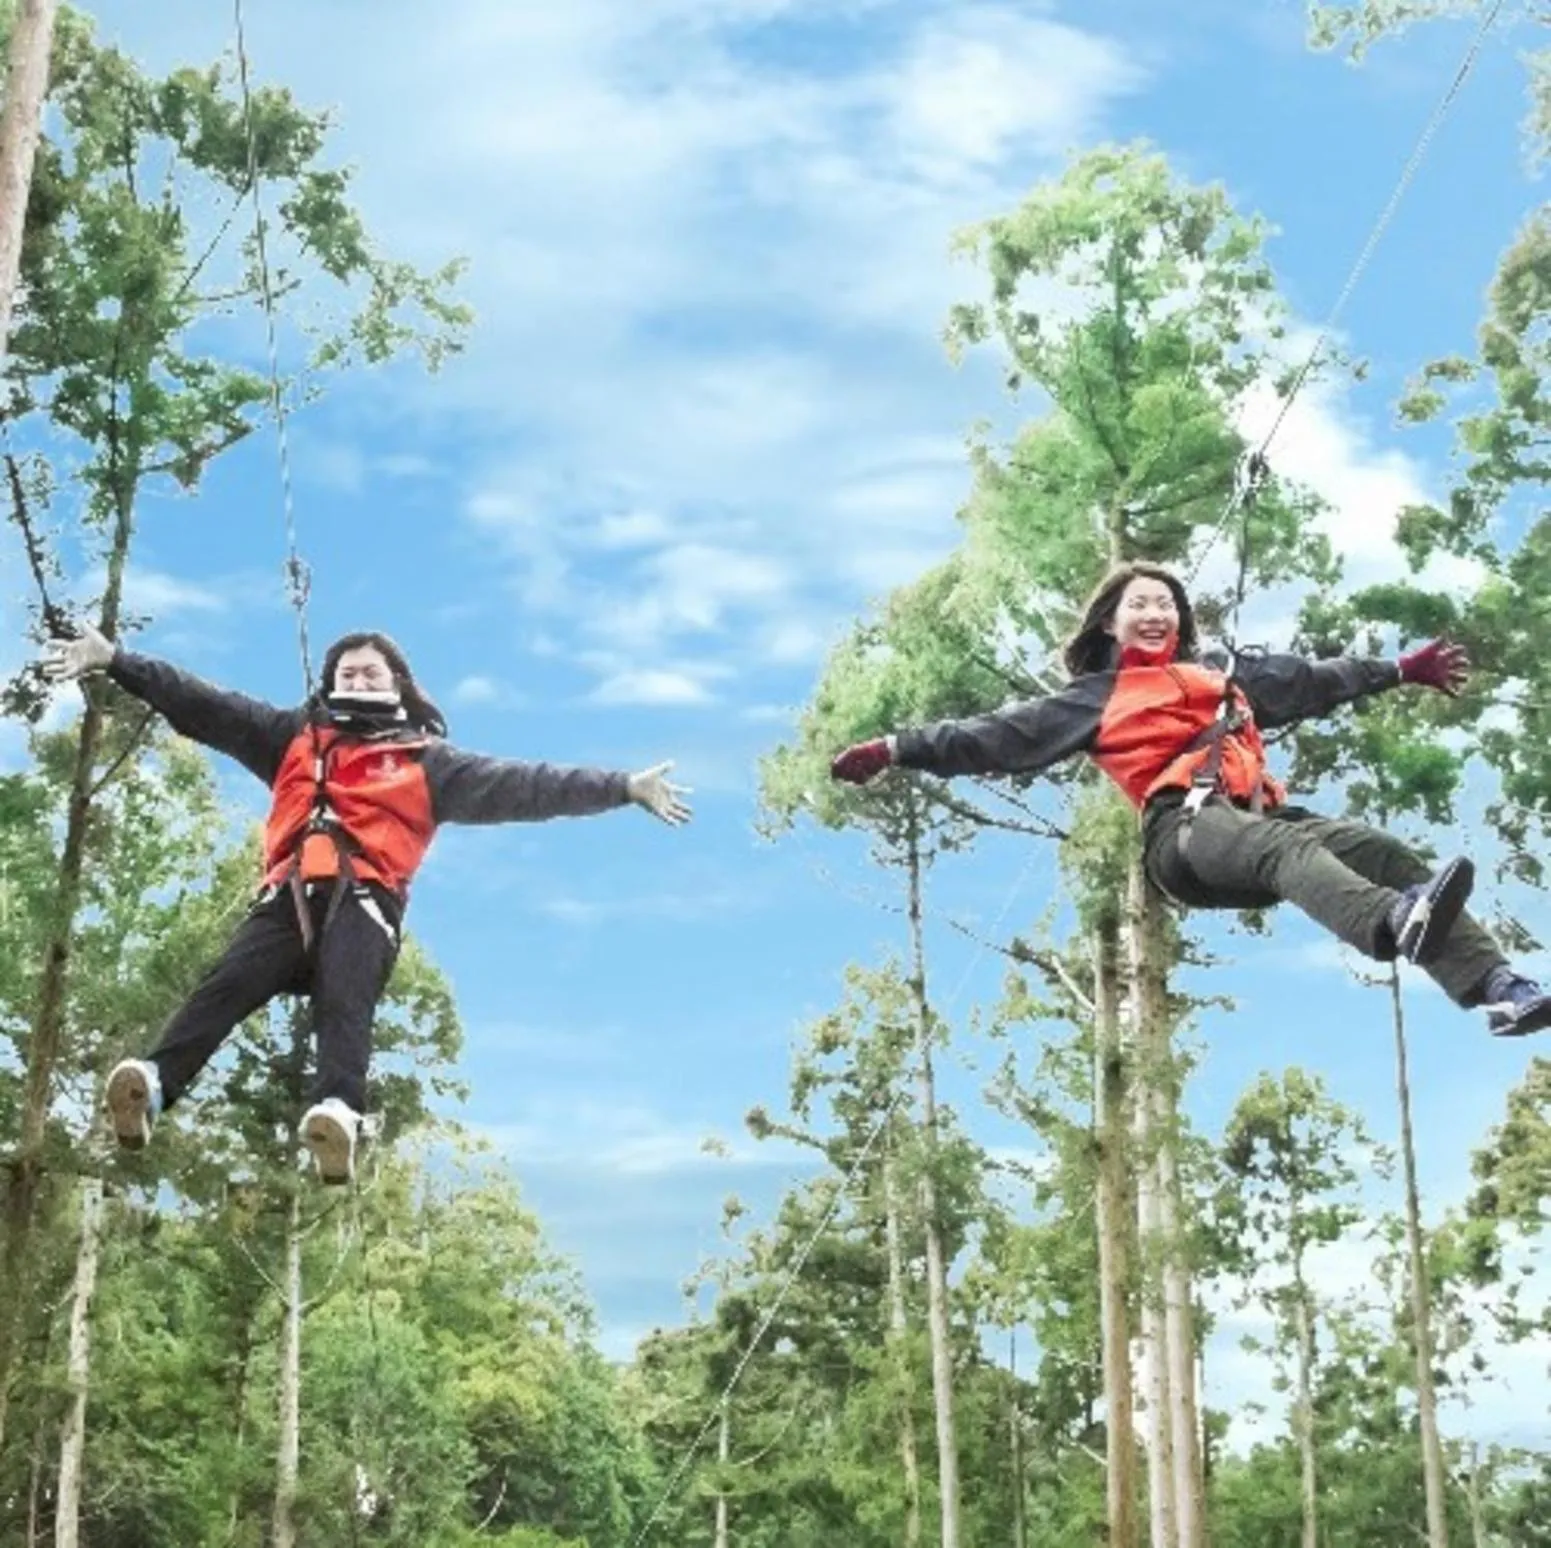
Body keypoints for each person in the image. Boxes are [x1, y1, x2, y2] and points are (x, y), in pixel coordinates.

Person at [41, 624, 693, 1183]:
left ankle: (338, 1114)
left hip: (365, 902)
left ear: (397, 687)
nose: (356, 675)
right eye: (345, 670)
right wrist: (116, 660)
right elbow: (204, 705)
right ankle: (153, 1087)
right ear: (330, 684)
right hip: (287, 900)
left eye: (369, 670)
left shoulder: (427, 762)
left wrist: (621, 786)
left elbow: (527, 786)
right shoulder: (291, 737)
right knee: (226, 985)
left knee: (345, 1002)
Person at [829, 562, 1551, 1038]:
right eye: (1137, 603)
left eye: (1164, 603)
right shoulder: (1096, 698)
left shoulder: (1223, 683)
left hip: (1256, 826)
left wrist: (1397, 670)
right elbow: (995, 735)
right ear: (1109, 624)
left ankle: (1496, 984)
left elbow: (1311, 680)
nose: (1154, 611)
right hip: (1184, 836)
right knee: (1288, 847)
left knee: (1382, 851)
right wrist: (897, 749)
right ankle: (1391, 922)